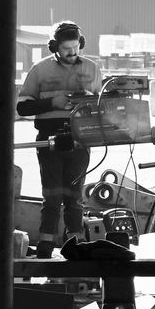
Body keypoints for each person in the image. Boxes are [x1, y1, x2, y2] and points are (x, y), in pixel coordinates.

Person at [16, 20, 103, 257]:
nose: (72, 53)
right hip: (49, 139)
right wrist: (52, 103)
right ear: (54, 46)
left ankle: (75, 241)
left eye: (76, 47)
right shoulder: (40, 70)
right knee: (52, 195)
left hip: (80, 138)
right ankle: (46, 243)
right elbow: (22, 108)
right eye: (66, 48)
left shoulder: (92, 69)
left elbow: (102, 105)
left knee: (75, 197)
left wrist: (87, 100)